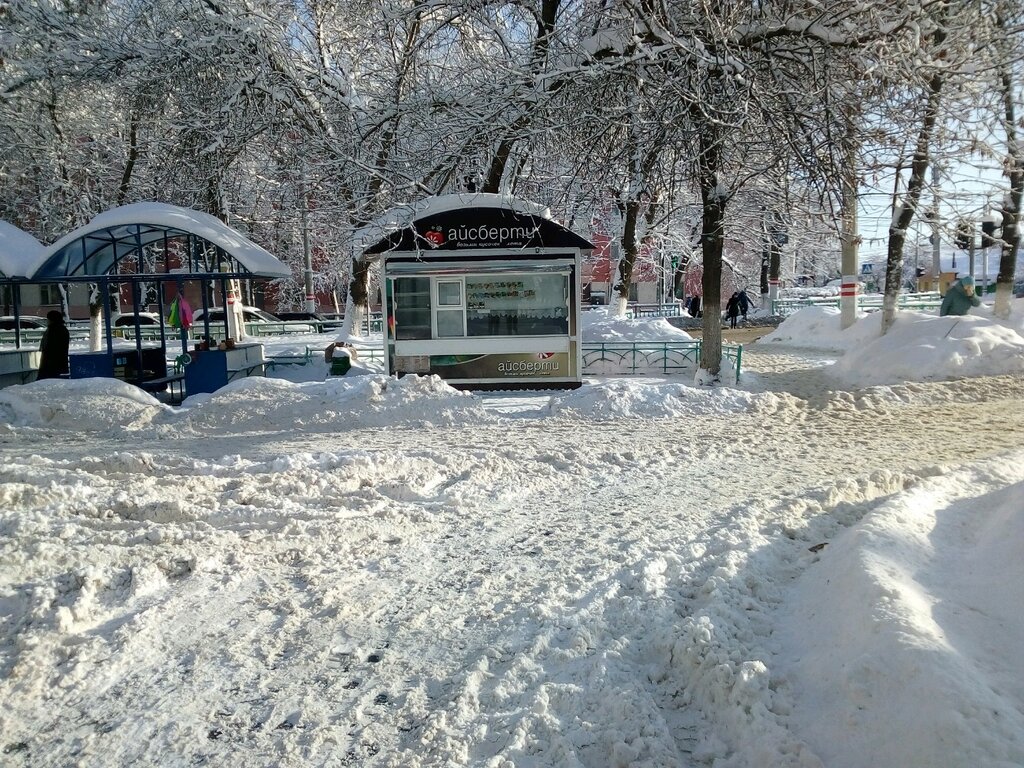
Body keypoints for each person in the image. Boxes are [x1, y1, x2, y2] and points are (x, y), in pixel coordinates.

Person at [37, 310, 70, 379]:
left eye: (48, 319)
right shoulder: (62, 329)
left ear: (52, 319)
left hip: (51, 364)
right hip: (60, 363)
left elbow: (50, 347)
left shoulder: (53, 330)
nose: (47, 321)